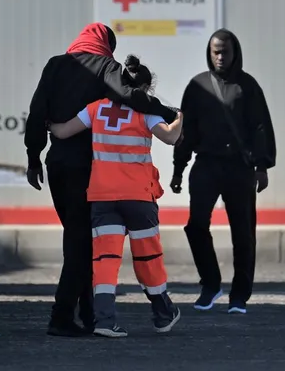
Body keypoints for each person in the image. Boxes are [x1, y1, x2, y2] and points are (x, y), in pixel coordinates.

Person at [24, 23, 178, 337]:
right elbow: (128, 95)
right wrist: (167, 112)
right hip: (86, 168)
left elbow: (37, 110)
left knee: (78, 239)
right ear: (107, 44)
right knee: (81, 244)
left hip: (57, 164)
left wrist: (33, 156)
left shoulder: (55, 65)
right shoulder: (107, 66)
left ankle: (89, 315)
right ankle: (61, 316)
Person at [171, 28, 277, 315]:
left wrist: (262, 166)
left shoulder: (248, 86)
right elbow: (186, 132)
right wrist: (178, 169)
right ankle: (210, 284)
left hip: (239, 167)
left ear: (235, 53)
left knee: (243, 232)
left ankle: (239, 295)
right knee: (195, 226)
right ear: (209, 53)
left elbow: (260, 126)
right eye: (215, 52)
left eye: (224, 52)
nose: (219, 57)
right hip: (206, 164)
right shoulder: (197, 86)